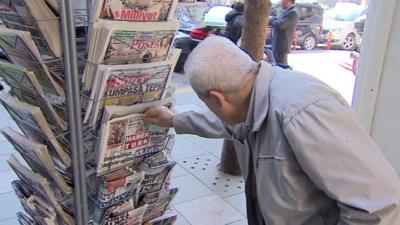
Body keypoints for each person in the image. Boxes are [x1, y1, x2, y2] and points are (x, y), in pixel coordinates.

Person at [144, 36, 400, 225]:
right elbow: (226, 123)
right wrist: (174, 120)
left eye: (206, 103)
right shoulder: (249, 94)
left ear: (218, 98)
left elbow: (377, 207)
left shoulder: (303, 112)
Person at [268, 0, 299, 65]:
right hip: (277, 44)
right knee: (277, 63)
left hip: (282, 45)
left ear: (287, 1)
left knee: (282, 65)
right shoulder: (285, 11)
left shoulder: (293, 13)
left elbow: (281, 25)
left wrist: (270, 20)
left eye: (282, 1)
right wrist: (273, 18)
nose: (280, 2)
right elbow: (278, 19)